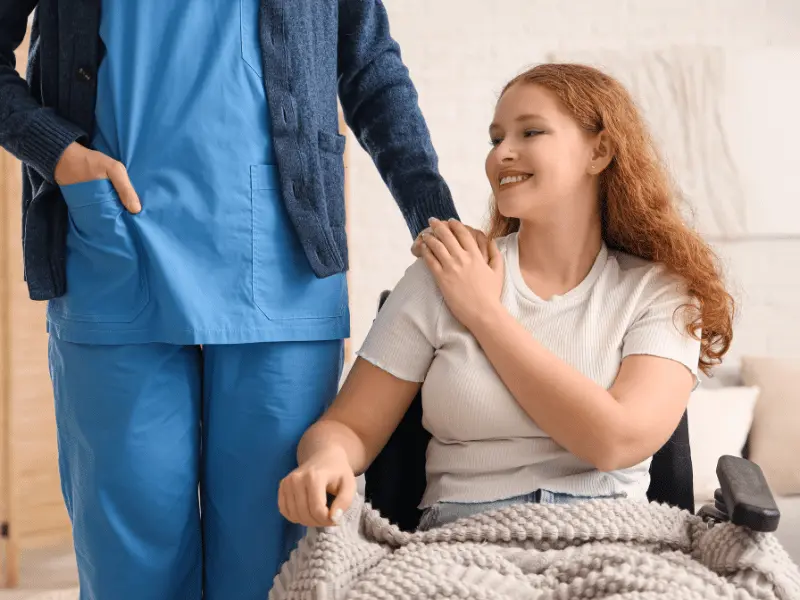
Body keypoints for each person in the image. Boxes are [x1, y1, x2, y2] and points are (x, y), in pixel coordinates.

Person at [0, 1, 485, 598]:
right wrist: (58, 152)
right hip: (111, 248)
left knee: (273, 561)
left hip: (280, 253)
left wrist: (433, 215)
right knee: (131, 558)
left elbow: (368, 67)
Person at [278, 63, 735, 532]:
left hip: (613, 537)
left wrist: (482, 313)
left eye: (530, 132)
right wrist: (325, 459)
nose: (503, 155)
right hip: (463, 542)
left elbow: (617, 440)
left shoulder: (659, 292)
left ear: (599, 151)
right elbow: (349, 426)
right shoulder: (442, 274)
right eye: (496, 140)